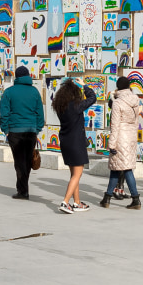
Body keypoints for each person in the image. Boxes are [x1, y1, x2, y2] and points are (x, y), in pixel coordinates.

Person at [0, 64, 46, 200]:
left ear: (17, 77)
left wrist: (5, 129)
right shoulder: (35, 92)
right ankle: (23, 189)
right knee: (27, 160)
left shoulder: (9, 92)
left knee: (19, 162)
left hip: (15, 131)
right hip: (31, 131)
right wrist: (37, 129)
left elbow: (4, 112)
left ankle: (23, 191)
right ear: (28, 76)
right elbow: (40, 112)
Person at [100, 76, 143, 210]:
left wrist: (111, 144)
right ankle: (107, 197)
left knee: (124, 169)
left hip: (120, 137)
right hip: (131, 137)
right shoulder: (135, 100)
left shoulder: (118, 102)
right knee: (119, 168)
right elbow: (136, 121)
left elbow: (115, 125)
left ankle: (135, 199)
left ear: (118, 87)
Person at [51, 78, 98, 214]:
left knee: (74, 175)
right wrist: (84, 86)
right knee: (77, 174)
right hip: (76, 142)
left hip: (65, 142)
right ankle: (65, 202)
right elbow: (92, 98)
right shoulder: (76, 105)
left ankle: (77, 202)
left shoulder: (60, 106)